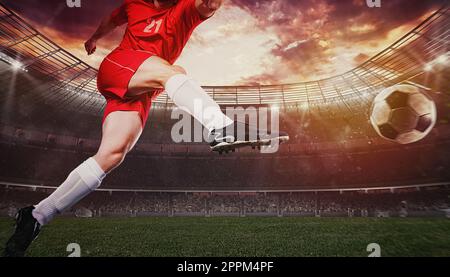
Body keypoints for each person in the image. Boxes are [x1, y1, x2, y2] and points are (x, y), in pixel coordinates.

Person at [3, 0, 288, 257]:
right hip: (119, 66)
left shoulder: (186, 8)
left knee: (112, 155)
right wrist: (94, 37)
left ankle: (37, 215)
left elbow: (209, 4)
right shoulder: (134, 4)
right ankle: (220, 126)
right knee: (174, 73)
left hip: (140, 91)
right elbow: (112, 20)